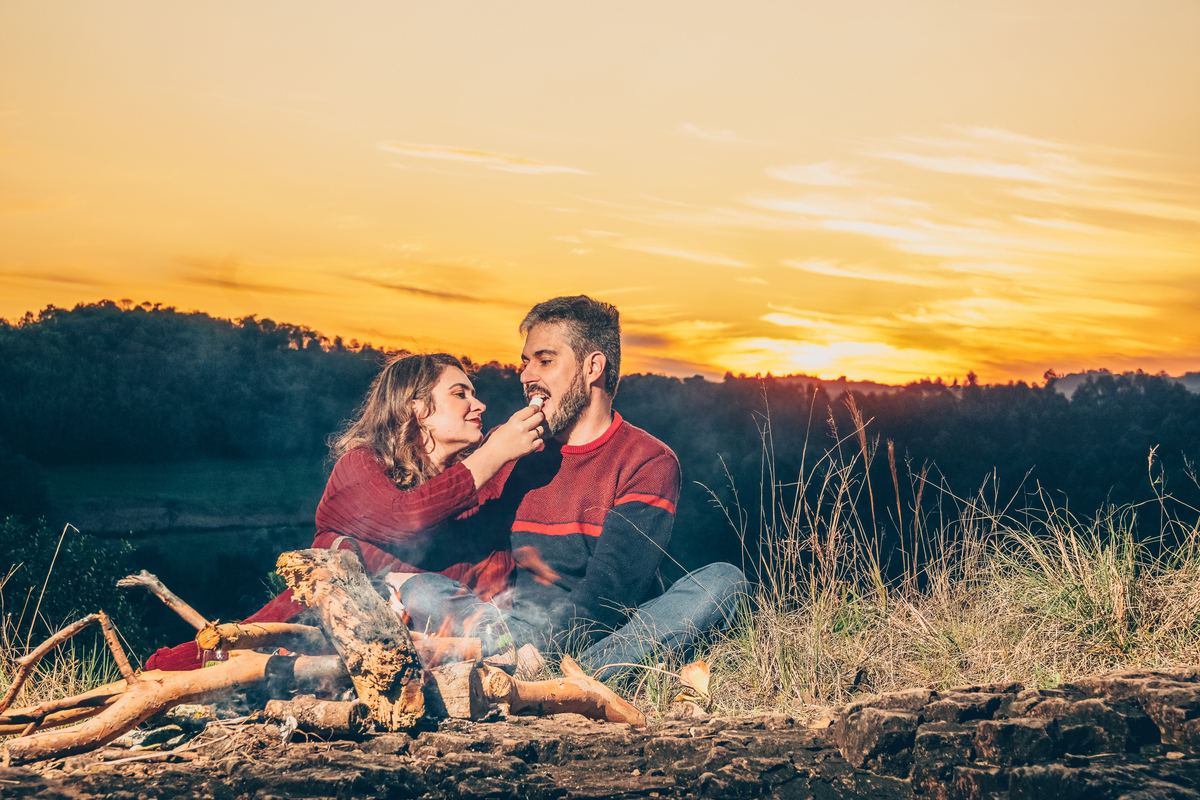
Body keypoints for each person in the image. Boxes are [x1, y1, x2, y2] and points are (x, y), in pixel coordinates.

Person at [398, 296, 747, 675]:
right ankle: (542, 678)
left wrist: (540, 651)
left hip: (596, 637)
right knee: (422, 589)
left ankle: (554, 677)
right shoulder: (506, 445)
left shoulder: (647, 460)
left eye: (544, 360)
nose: (526, 375)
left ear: (592, 367)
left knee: (723, 582)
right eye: (525, 362)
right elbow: (452, 544)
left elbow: (609, 597)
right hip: (504, 630)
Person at [143, 352, 545, 671]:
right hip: (301, 639)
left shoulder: (477, 485)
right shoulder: (360, 467)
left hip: (428, 655)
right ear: (418, 408)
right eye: (461, 393)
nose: (479, 403)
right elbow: (407, 519)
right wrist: (493, 453)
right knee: (206, 664)